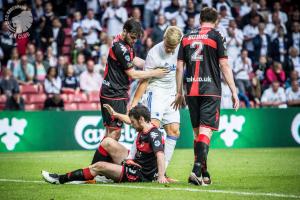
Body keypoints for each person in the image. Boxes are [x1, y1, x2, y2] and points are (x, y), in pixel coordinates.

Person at [172, 7, 239, 185]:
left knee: (197, 135)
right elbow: (224, 65)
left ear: (200, 19)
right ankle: (196, 170)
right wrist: (233, 90)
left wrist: (179, 92)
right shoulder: (217, 36)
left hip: (191, 90)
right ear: (216, 21)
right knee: (206, 131)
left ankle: (204, 173)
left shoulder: (185, 37)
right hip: (210, 90)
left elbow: (179, 67)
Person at [41, 105, 168, 184]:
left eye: (133, 122)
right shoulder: (142, 130)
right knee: (107, 142)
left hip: (140, 174)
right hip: (135, 164)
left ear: (141, 119)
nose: (132, 125)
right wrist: (116, 114)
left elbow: (160, 155)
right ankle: (96, 175)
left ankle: (60, 179)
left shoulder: (153, 134)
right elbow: (134, 154)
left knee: (99, 166)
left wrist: (161, 176)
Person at [99, 19, 168, 141]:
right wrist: (154, 73)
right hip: (114, 92)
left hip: (113, 91)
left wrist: (151, 65)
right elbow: (132, 74)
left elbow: (134, 59)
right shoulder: (121, 48)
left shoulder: (124, 43)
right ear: (125, 31)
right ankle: (103, 160)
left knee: (110, 132)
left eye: (136, 38)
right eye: (132, 37)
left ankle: (101, 160)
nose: (134, 41)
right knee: (114, 134)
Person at [131, 26, 182, 171]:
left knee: (174, 131)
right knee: (150, 128)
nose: (170, 50)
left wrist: (180, 92)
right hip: (156, 92)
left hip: (171, 93)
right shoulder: (154, 53)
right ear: (164, 39)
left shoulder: (181, 48)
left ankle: (161, 171)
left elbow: (180, 69)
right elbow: (145, 80)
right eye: (168, 46)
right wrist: (135, 101)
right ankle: (131, 160)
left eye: (173, 47)